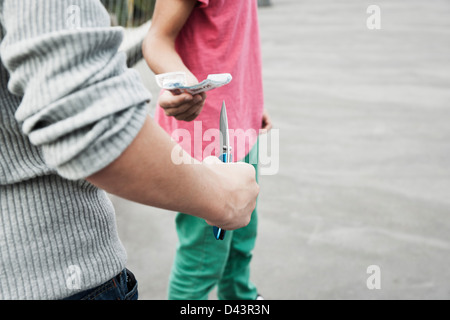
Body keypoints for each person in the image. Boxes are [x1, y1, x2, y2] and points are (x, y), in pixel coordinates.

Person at [0, 0, 258, 300]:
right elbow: (86, 122)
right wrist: (223, 199)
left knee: (236, 252)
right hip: (63, 279)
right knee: (202, 263)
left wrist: (252, 106)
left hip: (26, 274)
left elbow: (69, 48)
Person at [143, 0, 272, 300]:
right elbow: (156, 39)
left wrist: (251, 103)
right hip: (204, 140)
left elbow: (234, 37)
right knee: (202, 262)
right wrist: (185, 83)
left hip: (242, 123)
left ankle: (241, 299)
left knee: (240, 242)